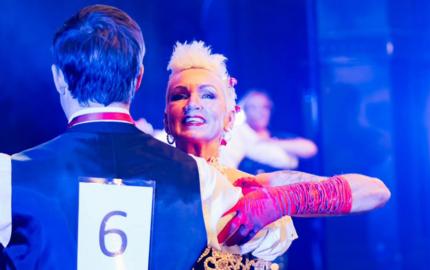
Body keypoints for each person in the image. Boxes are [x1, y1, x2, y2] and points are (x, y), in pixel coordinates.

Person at [0, 5, 210, 269]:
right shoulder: (201, 178)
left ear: (59, 79)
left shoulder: (9, 176)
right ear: (138, 78)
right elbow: (269, 236)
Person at [163, 41, 391, 268]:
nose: (193, 103)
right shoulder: (151, 182)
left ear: (230, 118)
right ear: (166, 120)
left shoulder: (248, 185)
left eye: (208, 95)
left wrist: (282, 200)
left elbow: (376, 192)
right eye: (179, 95)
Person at [221, 90, 318, 172]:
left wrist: (270, 143)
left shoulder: (279, 136)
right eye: (253, 107)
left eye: (265, 107)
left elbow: (310, 148)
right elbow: (227, 167)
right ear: (245, 110)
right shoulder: (238, 135)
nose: (260, 112)